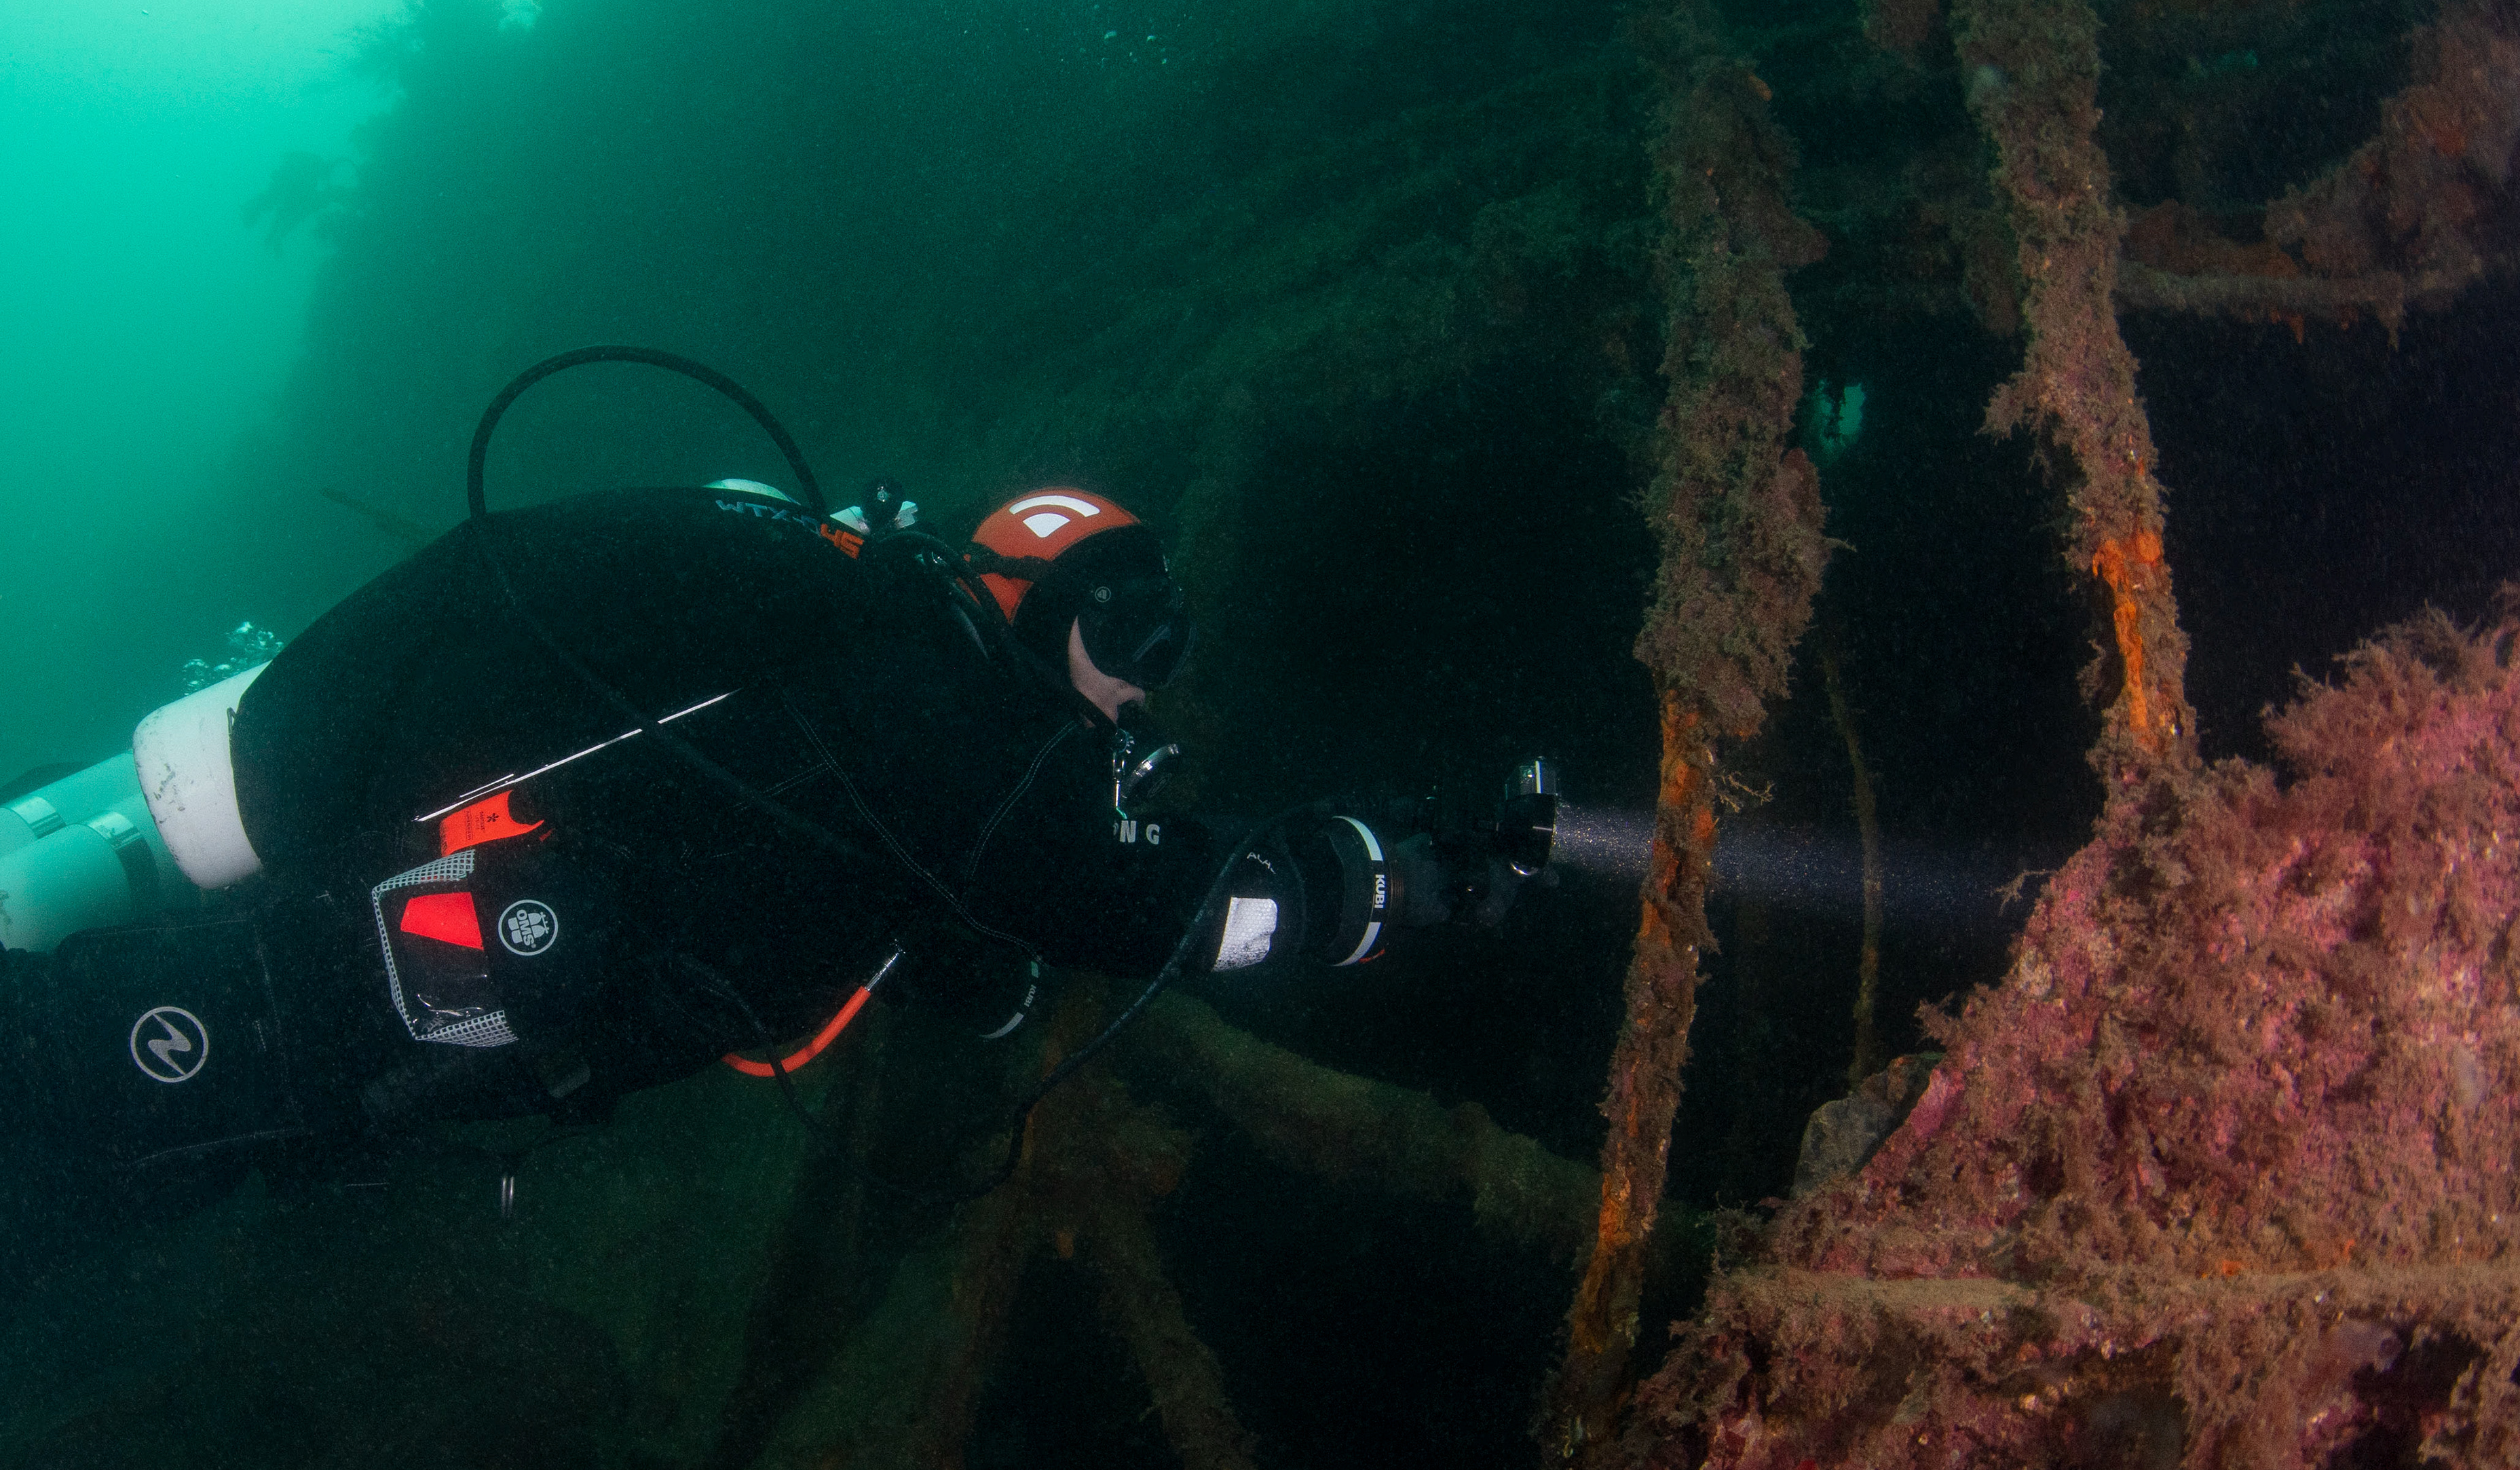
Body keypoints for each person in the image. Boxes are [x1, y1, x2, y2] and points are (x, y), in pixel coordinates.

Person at [0, 472, 1541, 1191]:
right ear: (1047, 614)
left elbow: (963, 931)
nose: (1145, 684)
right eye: (1134, 635)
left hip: (452, 971)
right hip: (414, 964)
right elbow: (1148, 913)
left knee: (138, 1126)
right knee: (63, 1081)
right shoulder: (951, 712)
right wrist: (1363, 879)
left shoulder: (906, 688)